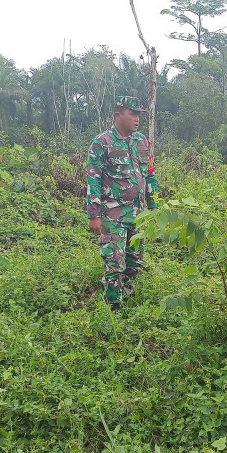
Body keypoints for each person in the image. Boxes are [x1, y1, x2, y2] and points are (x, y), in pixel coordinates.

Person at [86, 96, 158, 311]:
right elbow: (93, 179)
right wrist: (94, 214)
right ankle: (113, 310)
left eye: (139, 115)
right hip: (112, 215)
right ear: (118, 115)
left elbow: (150, 174)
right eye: (132, 114)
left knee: (135, 261)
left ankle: (128, 302)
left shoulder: (142, 141)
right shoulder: (102, 142)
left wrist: (154, 207)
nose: (137, 119)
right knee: (115, 264)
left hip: (137, 214)